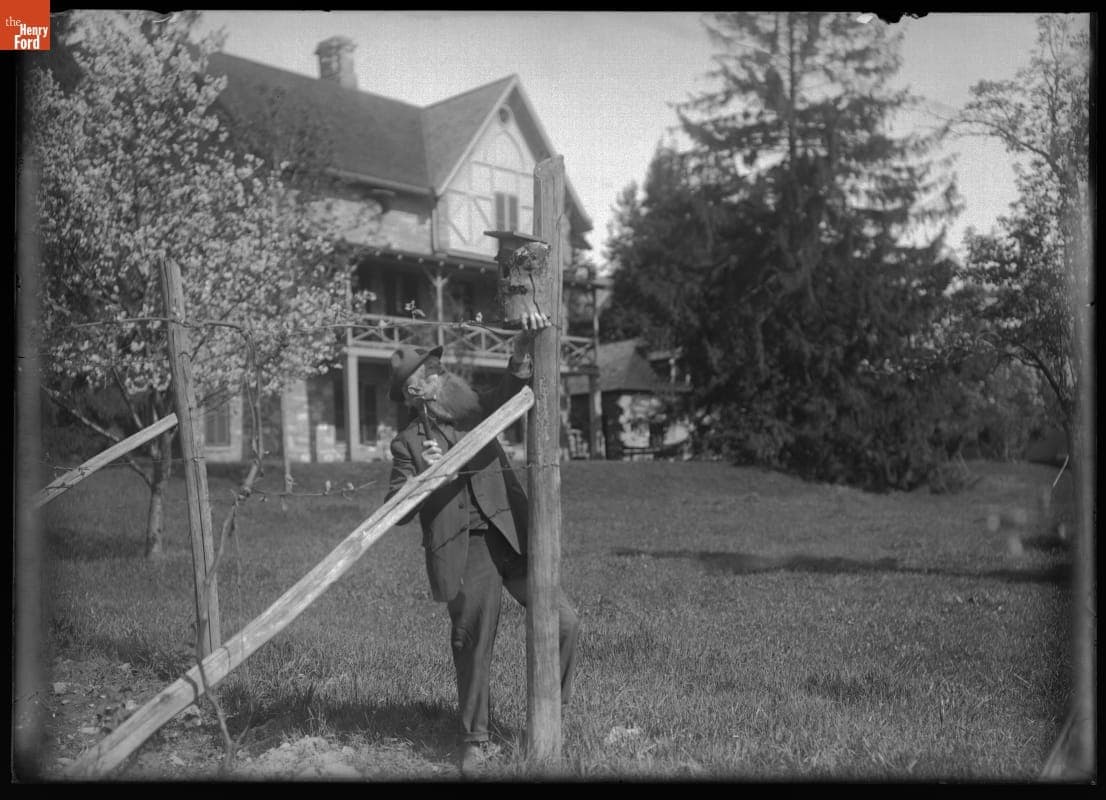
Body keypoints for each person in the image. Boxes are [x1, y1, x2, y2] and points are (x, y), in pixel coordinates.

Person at [384, 312, 580, 776]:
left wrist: (519, 351)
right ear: (413, 392)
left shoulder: (473, 408)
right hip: (466, 546)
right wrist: (427, 478)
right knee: (471, 640)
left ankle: (551, 716)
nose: (438, 373)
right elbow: (397, 508)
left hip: (512, 530)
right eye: (428, 372)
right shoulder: (407, 444)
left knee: (565, 623)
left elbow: (509, 394)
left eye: (436, 367)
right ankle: (475, 738)